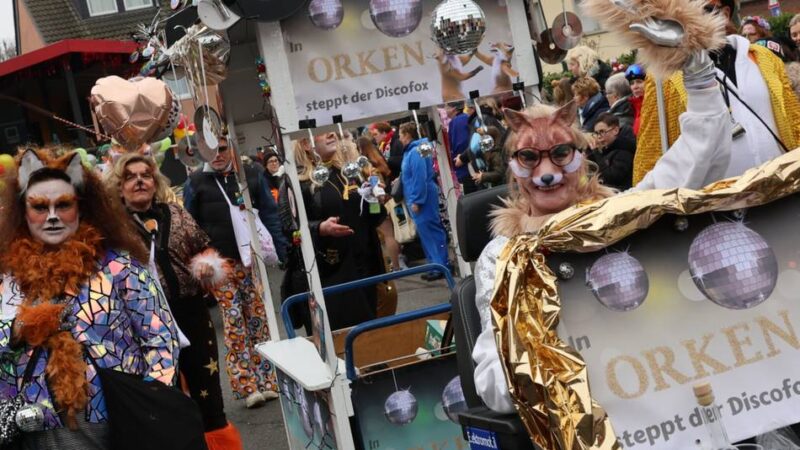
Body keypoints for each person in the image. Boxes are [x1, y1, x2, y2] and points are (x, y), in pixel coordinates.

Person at [473, 41, 734, 412]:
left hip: (675, 403)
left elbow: (695, 161)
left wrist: (696, 67)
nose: (547, 173)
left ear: (581, 159)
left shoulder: (621, 216)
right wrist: (555, 349)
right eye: (529, 157)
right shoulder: (502, 257)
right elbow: (495, 385)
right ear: (514, 171)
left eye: (561, 154)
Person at [0, 148, 180, 448]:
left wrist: (152, 403)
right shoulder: (8, 276)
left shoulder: (118, 267)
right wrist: (16, 330)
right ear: (23, 211)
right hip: (37, 423)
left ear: (82, 207)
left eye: (63, 204)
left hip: (119, 416)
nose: (52, 216)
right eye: (40, 207)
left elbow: (161, 337)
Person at [107, 154, 242, 449]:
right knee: (165, 404)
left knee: (210, 401)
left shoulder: (176, 213)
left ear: (155, 182)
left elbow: (204, 248)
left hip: (192, 315)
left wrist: (207, 265)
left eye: (146, 175)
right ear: (119, 186)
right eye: (130, 176)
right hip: (144, 327)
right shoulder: (112, 228)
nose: (140, 181)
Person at [633, 0, 800, 185]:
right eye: (683, 13)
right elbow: (651, 150)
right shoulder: (664, 76)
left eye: (705, 9)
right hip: (717, 197)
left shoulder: (764, 57)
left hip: (780, 186)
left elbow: (794, 120)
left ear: (725, 14)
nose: (693, 19)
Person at [183, 136, 289, 409]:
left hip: (251, 261)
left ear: (231, 147)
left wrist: (280, 249)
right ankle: (247, 384)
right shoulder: (196, 182)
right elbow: (190, 226)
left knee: (259, 319)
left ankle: (268, 379)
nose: (217, 155)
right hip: (221, 266)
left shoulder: (251, 173)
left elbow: (269, 213)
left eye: (221, 149)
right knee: (234, 324)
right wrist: (201, 260)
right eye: (211, 150)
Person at [283, 132, 386, 331]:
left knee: (371, 334)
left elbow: (373, 218)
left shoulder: (349, 172)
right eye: (322, 131)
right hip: (330, 272)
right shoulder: (297, 182)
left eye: (332, 130)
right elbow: (288, 227)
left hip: (364, 266)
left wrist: (376, 200)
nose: (332, 133)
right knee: (343, 335)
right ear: (306, 143)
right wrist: (320, 228)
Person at [398, 123, 450, 282]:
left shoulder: (415, 151)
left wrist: (417, 200)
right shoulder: (415, 150)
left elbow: (419, 177)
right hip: (420, 196)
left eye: (400, 135)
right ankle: (436, 265)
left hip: (422, 198)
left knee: (431, 232)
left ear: (407, 135)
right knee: (427, 233)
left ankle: (441, 265)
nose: (399, 139)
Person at [357, 136, 405, 272]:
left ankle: (396, 265)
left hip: (374, 202)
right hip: (386, 200)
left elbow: (374, 186)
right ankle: (398, 261)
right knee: (391, 232)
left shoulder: (365, 166)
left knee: (386, 234)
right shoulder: (378, 161)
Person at [589, 113, 636, 190]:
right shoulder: (607, 149)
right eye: (597, 133)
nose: (599, 137)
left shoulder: (624, 150)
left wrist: (596, 153)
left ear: (616, 130)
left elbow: (611, 178)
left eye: (602, 132)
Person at [446, 101, 478, 195]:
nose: (445, 110)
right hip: (468, 166)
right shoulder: (463, 118)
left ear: (453, 109)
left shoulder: (458, 121)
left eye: (446, 107)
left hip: (466, 168)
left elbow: (461, 143)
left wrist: (460, 158)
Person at [624, 64, 646, 135]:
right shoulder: (631, 107)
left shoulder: (654, 105)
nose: (635, 87)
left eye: (639, 82)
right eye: (632, 83)